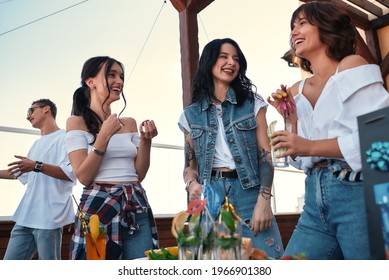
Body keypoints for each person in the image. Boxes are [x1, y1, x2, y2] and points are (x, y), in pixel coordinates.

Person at [267, 1, 389, 260]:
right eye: (292, 27)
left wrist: (307, 146)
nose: (294, 32)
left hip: (358, 197)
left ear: (325, 26)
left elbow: (380, 138)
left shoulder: (351, 66)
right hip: (314, 198)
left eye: (302, 23)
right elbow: (300, 159)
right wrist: (290, 119)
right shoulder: (296, 91)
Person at [178, 38, 284, 259]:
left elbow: (265, 156)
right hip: (210, 193)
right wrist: (191, 184)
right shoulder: (190, 114)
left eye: (236, 59)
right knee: (210, 263)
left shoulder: (253, 103)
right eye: (224, 57)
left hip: (249, 192)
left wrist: (264, 200)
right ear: (209, 62)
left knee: (268, 260)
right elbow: (190, 166)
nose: (231, 63)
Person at [66, 56, 159, 260]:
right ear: (90, 82)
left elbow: (139, 173)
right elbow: (83, 176)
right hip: (98, 206)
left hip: (135, 202)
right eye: (111, 75)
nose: (119, 81)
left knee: (141, 266)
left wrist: (146, 140)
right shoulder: (76, 122)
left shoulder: (129, 123)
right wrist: (104, 136)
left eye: (121, 76)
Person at [1, 99, 76, 260]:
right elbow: (18, 173)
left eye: (31, 111)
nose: (28, 116)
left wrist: (36, 165)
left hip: (49, 218)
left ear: (46, 109)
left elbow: (70, 172)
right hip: (25, 218)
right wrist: (33, 166)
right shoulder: (36, 144)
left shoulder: (65, 137)